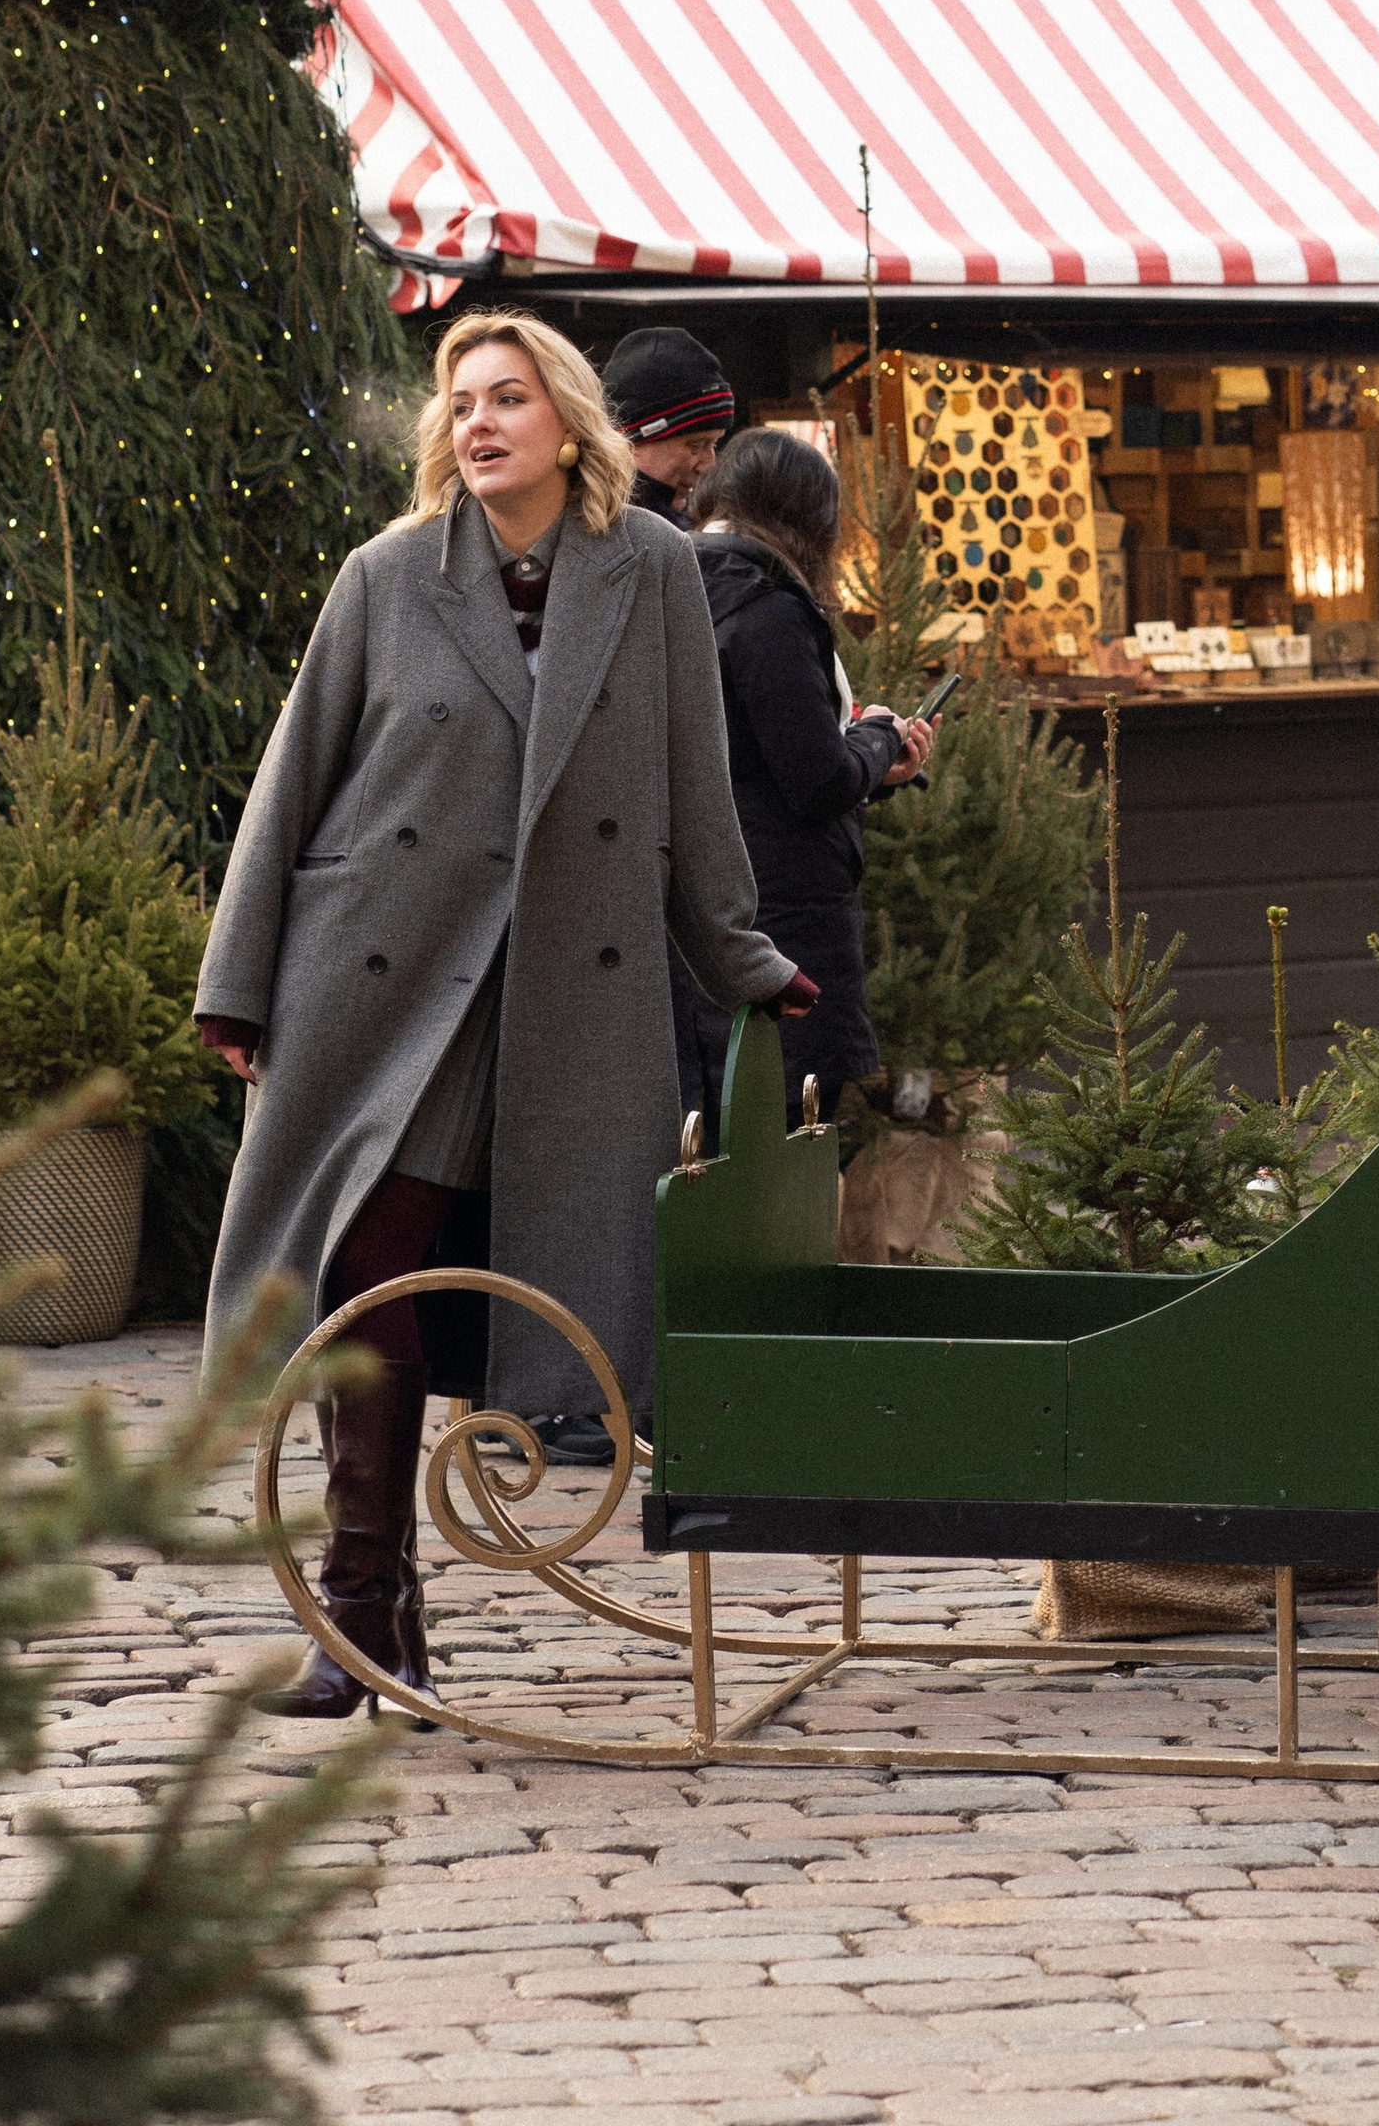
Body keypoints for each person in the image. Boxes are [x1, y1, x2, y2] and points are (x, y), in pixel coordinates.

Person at [193, 308, 810, 1719]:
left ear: (570, 424)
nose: (478, 422)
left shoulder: (653, 570)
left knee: (491, 1286)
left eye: (508, 398)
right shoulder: (388, 575)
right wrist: (238, 981)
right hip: (385, 982)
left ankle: (375, 1612)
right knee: (363, 1268)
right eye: (461, 402)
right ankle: (365, 1606)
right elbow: (294, 780)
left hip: (561, 994)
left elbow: (695, 786)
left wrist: (744, 957)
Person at [683, 427, 934, 1135]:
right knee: (780, 1134)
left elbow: (759, 762)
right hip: (781, 917)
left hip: (714, 907)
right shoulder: (766, 606)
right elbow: (816, 781)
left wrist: (875, 769)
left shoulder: (685, 586)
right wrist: (878, 737)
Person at [600, 324, 735, 524]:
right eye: (696, 445)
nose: (709, 465)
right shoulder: (589, 528)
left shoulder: (690, 526)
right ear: (630, 442)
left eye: (714, 444)